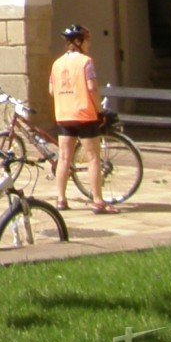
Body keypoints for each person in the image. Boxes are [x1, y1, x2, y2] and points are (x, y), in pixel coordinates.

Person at [50, 23, 110, 215]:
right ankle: (98, 201)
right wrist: (99, 110)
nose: (89, 44)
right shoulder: (86, 62)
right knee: (93, 158)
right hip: (85, 115)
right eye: (87, 40)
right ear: (79, 41)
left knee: (64, 158)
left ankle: (61, 199)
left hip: (63, 115)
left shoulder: (57, 63)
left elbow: (51, 90)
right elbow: (92, 87)